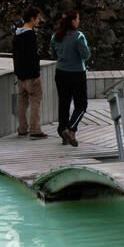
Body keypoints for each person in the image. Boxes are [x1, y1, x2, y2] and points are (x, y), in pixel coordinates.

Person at [52, 10, 90, 147]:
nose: (79, 21)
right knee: (81, 105)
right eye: (78, 18)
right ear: (73, 20)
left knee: (64, 103)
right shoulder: (79, 36)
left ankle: (63, 133)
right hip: (77, 74)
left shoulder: (55, 36)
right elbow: (85, 55)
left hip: (60, 73)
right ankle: (70, 129)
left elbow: (54, 54)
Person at [13, 5, 47, 139]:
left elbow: (16, 55)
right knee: (35, 102)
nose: (39, 21)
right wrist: (36, 74)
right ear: (32, 19)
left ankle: (22, 129)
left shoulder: (17, 34)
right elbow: (33, 56)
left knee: (22, 103)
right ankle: (35, 130)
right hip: (31, 76)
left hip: (20, 76)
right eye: (38, 18)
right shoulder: (30, 35)